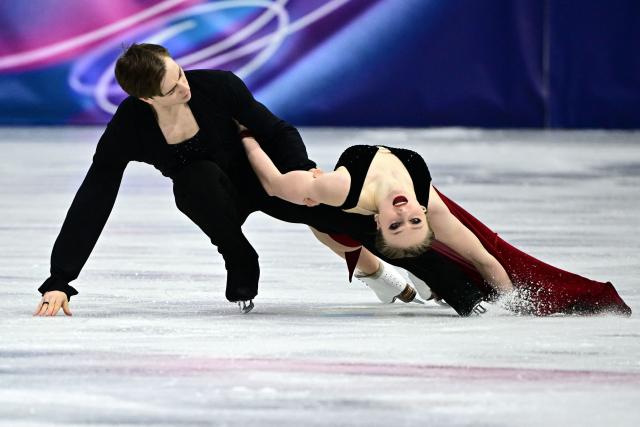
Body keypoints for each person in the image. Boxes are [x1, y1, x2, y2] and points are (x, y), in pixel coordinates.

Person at [33, 43, 488, 318]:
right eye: (172, 88)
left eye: (182, 74)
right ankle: (238, 254)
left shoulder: (218, 86)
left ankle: (462, 291)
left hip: (269, 178)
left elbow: (276, 130)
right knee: (195, 181)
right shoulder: (130, 127)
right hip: (215, 201)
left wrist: (301, 173)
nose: (185, 87)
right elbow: (94, 196)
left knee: (354, 220)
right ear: (145, 97)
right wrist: (60, 278)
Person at [241, 138, 633, 316]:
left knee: (321, 221)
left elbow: (275, 184)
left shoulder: (338, 188)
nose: (404, 212)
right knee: (323, 223)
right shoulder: (429, 205)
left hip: (342, 200)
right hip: (358, 204)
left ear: (379, 222)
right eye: (413, 221)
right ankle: (385, 277)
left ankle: (385, 275)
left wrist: (246, 137)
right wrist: (514, 301)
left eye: (399, 225)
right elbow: (485, 258)